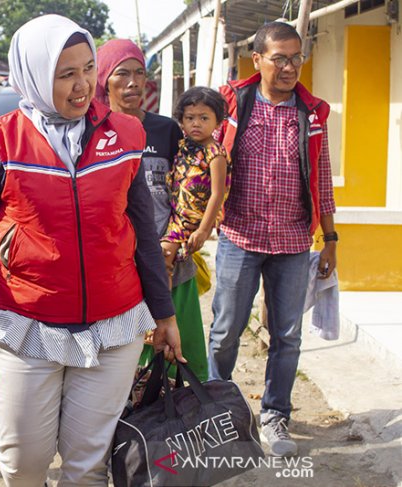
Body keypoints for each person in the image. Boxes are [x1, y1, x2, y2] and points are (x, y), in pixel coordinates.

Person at [0, 15, 183, 486]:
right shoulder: (1, 142)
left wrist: (164, 314)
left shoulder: (125, 135)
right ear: (33, 73)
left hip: (114, 326)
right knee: (22, 463)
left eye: (88, 69)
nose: (82, 85)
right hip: (27, 326)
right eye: (65, 73)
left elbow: (141, 231)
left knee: (88, 465)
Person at [209, 21, 337, 457]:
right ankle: (218, 414)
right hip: (239, 237)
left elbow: (321, 177)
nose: (288, 67)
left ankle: (275, 416)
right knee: (226, 332)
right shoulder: (232, 104)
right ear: (257, 59)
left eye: (296, 57)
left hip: (293, 242)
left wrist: (331, 237)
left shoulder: (312, 113)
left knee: (288, 336)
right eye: (279, 57)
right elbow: (202, 163)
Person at [96, 38, 210, 381]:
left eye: (139, 73)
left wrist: (174, 243)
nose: (133, 82)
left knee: (183, 355)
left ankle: (188, 429)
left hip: (172, 260)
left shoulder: (167, 129)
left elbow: (189, 191)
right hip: (118, 267)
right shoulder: (96, 132)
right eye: (122, 74)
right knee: (126, 365)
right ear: (104, 80)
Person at [161, 86, 231, 278]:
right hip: (174, 215)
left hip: (190, 221)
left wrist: (203, 230)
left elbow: (217, 194)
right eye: (190, 118)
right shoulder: (184, 147)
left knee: (163, 259)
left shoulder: (215, 154)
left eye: (204, 118)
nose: (196, 124)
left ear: (218, 123)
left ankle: (164, 308)